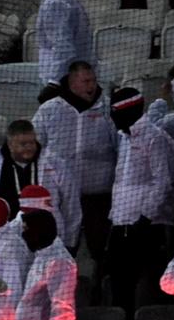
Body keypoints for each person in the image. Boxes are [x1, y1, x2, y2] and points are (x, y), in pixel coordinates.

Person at [108, 86, 174, 312]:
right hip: (121, 223)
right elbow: (121, 181)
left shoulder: (155, 138)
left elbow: (163, 182)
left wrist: (145, 217)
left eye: (114, 113)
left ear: (127, 112)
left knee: (150, 286)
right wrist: (114, 217)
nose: (112, 118)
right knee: (120, 284)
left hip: (148, 226)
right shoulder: (124, 138)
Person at [33, 61, 114, 256]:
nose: (92, 86)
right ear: (72, 83)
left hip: (98, 195)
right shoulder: (49, 110)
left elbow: (120, 147)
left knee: (99, 248)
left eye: (93, 80)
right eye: (86, 81)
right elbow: (36, 146)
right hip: (60, 196)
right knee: (62, 247)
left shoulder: (107, 109)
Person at [5, 187, 79, 320]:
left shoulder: (59, 261)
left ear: (38, 231)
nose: (24, 234)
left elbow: (62, 305)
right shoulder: (41, 254)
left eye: (27, 230)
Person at [0, 120, 82, 249]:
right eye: (23, 144)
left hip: (46, 241)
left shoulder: (55, 164)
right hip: (5, 243)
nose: (29, 147)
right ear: (10, 145)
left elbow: (71, 204)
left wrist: (70, 242)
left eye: (32, 142)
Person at [31, 0, 94, 89]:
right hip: (71, 76)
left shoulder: (55, 1)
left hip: (65, 81)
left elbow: (63, 46)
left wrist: (54, 82)